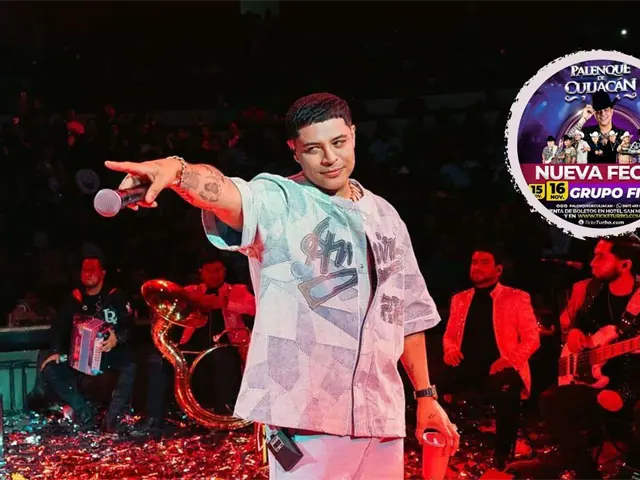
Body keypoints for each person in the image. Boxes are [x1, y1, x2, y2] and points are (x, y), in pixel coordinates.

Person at [105, 92, 459, 479]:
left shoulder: (386, 216)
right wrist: (177, 171)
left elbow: (405, 313)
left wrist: (426, 396)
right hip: (306, 422)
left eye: (339, 142)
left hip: (382, 417)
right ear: (294, 150)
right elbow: (225, 193)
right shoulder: (279, 200)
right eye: (313, 149)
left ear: (354, 135)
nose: (330, 158)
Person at [539, 235, 640, 480]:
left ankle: (631, 472)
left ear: (625, 265)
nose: (592, 262)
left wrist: (624, 393)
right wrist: (575, 331)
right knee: (549, 399)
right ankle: (586, 473)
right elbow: (583, 321)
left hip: (632, 385)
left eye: (600, 256)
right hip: (596, 381)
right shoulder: (595, 290)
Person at [440, 247, 540, 470]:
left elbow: (532, 338)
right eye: (474, 262)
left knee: (507, 393)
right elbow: (450, 335)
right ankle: (436, 443)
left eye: (484, 262)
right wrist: (450, 350)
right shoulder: (460, 299)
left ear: (499, 269)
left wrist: (509, 360)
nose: (477, 267)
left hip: (500, 367)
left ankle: (502, 456)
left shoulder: (516, 297)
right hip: (467, 364)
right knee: (427, 379)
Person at [41, 255, 136, 433]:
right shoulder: (73, 299)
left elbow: (130, 326)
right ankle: (84, 413)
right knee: (50, 368)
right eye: (85, 270)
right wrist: (56, 351)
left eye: (93, 269)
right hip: (80, 357)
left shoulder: (116, 296)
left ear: (103, 273)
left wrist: (117, 338)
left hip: (108, 354)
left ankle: (111, 419)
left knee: (130, 366)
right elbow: (59, 328)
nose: (88, 273)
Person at [180, 257, 256, 414]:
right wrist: (198, 303)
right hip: (194, 345)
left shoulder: (237, 290)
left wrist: (225, 303)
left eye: (217, 270)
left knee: (222, 361)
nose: (213, 275)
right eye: (209, 271)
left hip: (228, 344)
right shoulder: (190, 291)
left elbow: (253, 307)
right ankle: (194, 411)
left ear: (224, 272)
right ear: (201, 272)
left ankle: (222, 410)